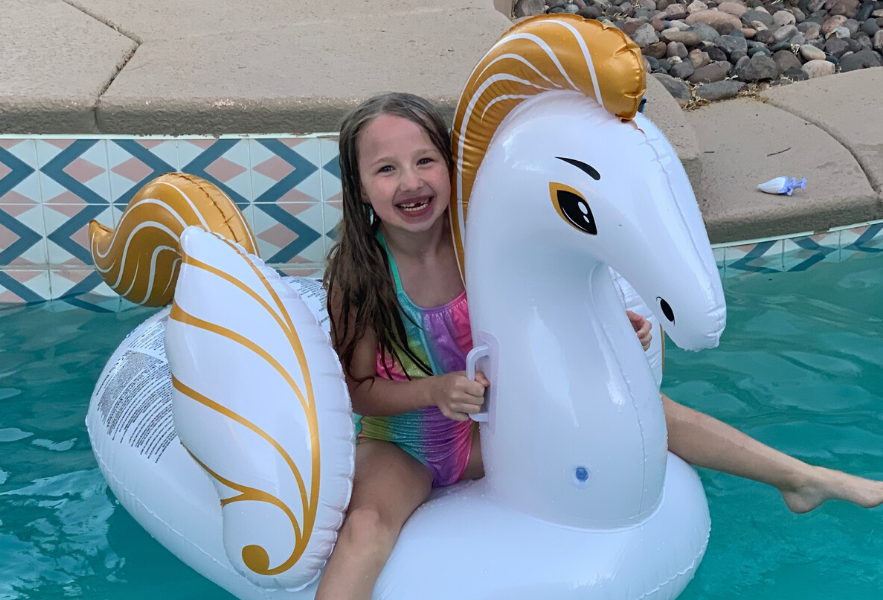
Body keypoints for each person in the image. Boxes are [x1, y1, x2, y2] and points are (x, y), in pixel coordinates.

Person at [319, 92, 883, 600]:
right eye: (386, 169)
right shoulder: (362, 273)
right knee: (367, 525)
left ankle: (800, 478)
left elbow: (543, 315)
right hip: (407, 444)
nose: (410, 182)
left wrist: (622, 325)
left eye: (425, 161)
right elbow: (357, 391)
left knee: (652, 415)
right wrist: (434, 391)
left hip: (495, 433)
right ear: (360, 187)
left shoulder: (480, 240)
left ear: (450, 165)